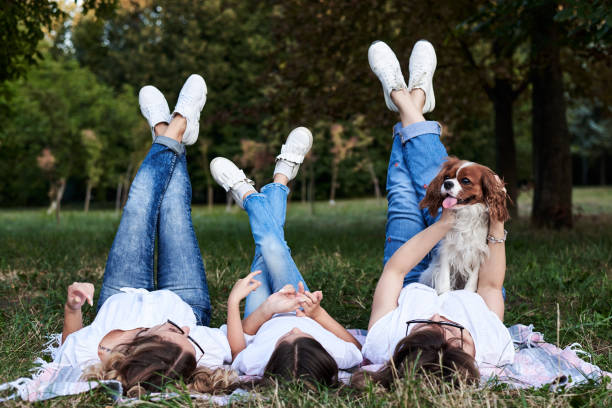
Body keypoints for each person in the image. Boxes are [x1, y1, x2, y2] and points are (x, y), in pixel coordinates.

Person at [57, 75, 235, 395]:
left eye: (172, 332)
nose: (183, 329)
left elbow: (67, 345)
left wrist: (73, 308)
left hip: (119, 295)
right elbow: (241, 343)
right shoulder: (197, 350)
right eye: (186, 336)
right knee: (172, 209)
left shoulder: (95, 353)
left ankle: (167, 131)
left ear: (142, 344)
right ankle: (174, 129)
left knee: (139, 206)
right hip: (186, 298)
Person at [353, 41, 513, 388]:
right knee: (428, 175)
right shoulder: (492, 346)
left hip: (410, 278)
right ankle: (409, 99)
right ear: (471, 353)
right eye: (455, 336)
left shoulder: (384, 343)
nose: (441, 318)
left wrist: (441, 225)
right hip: (471, 253)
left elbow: (395, 270)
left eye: (427, 330)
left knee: (401, 192)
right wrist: (496, 221)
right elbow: (489, 284)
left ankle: (407, 100)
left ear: (405, 347)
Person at [209, 129, 363, 388]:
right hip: (300, 301)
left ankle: (276, 179)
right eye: (302, 336)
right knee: (271, 246)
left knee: (266, 249)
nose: (292, 330)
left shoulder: (257, 362)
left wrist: (249, 304)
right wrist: (316, 313)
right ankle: (250, 193)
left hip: (263, 312)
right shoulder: (338, 356)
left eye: (284, 341)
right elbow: (356, 346)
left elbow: (238, 351)